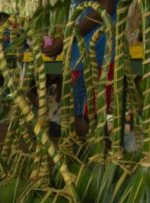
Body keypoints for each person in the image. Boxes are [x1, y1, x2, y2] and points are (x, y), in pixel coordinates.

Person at [43, 0, 117, 137]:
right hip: (81, 59)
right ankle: (100, 156)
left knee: (85, 119)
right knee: (84, 119)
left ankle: (100, 157)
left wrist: (66, 40)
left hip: (96, 58)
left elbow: (105, 7)